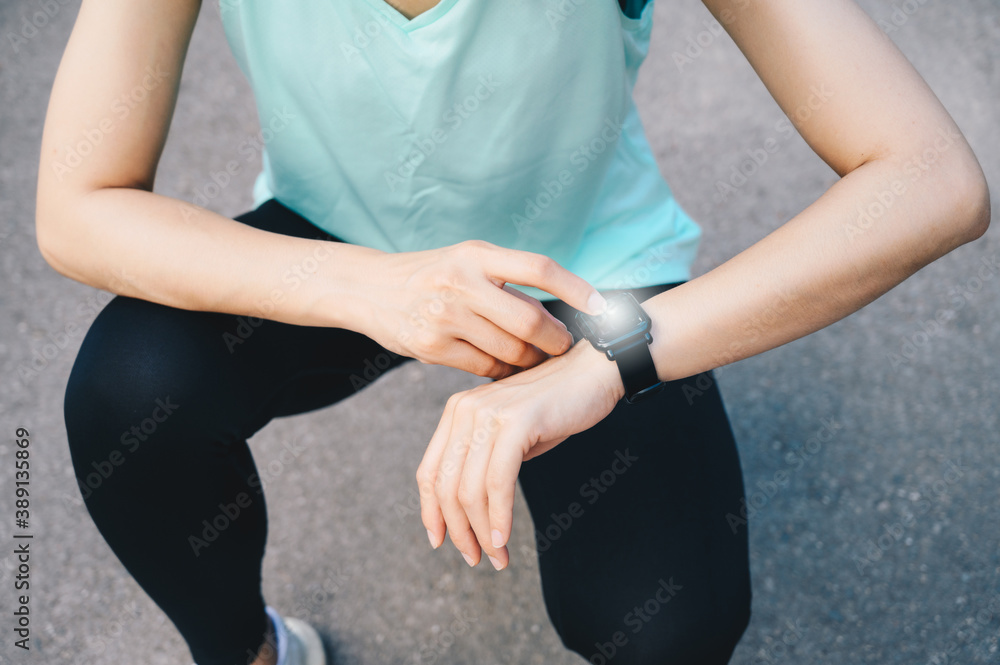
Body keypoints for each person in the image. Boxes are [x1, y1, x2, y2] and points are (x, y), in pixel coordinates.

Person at [35, 0, 990, 663]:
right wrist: (371, 287)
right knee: (131, 398)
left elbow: (929, 177)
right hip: (346, 234)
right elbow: (76, 206)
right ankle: (250, 654)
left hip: (585, 264)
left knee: (665, 623)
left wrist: (620, 356)